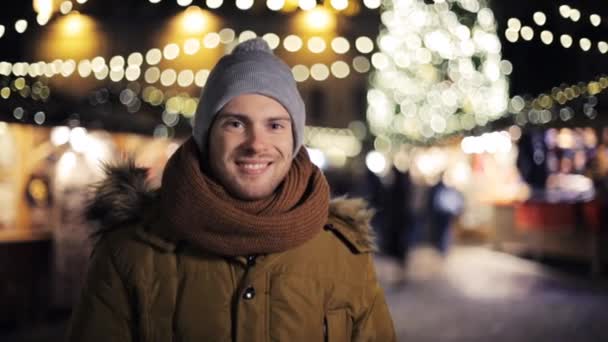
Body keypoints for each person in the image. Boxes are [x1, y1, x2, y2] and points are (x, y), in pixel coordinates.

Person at [67, 38, 396, 341]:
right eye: (236, 123)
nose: (256, 144)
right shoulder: (130, 251)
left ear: (294, 139)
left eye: (275, 125)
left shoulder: (343, 254)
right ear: (207, 135)